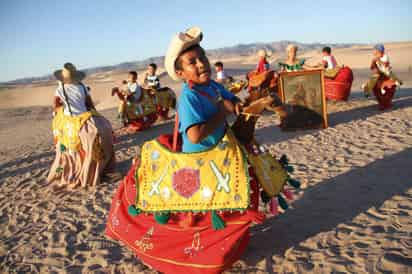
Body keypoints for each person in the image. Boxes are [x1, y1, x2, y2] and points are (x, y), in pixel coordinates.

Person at [105, 27, 299, 274]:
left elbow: (236, 104)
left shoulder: (212, 87)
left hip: (222, 147)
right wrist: (222, 111)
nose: (200, 64)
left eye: (203, 58)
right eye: (192, 62)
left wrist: (257, 103)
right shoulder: (190, 96)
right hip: (200, 157)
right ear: (180, 72)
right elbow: (194, 134)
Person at [48, 63, 114, 188]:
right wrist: (96, 114)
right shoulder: (82, 86)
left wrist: (57, 113)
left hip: (71, 118)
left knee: (63, 142)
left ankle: (67, 170)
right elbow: (89, 103)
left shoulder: (59, 89)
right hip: (86, 115)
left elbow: (56, 106)